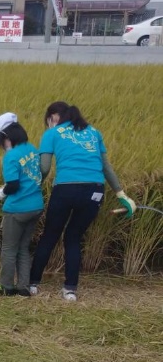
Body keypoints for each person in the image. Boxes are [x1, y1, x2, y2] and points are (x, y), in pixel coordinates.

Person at [29, 101, 136, 302]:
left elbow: (44, 168)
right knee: (73, 237)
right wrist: (121, 194)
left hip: (66, 189)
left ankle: (33, 283)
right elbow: (106, 166)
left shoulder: (52, 133)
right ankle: (70, 290)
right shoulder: (94, 132)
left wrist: (34, 186)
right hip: (95, 191)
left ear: (53, 118)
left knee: (50, 235)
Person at [0, 113, 43, 296]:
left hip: (17, 208)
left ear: (6, 137)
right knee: (23, 248)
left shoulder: (11, 157)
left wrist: (1, 193)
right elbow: (33, 175)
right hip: (35, 206)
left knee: (9, 249)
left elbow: (13, 185)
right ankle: (24, 287)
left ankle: (6, 287)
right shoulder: (32, 149)